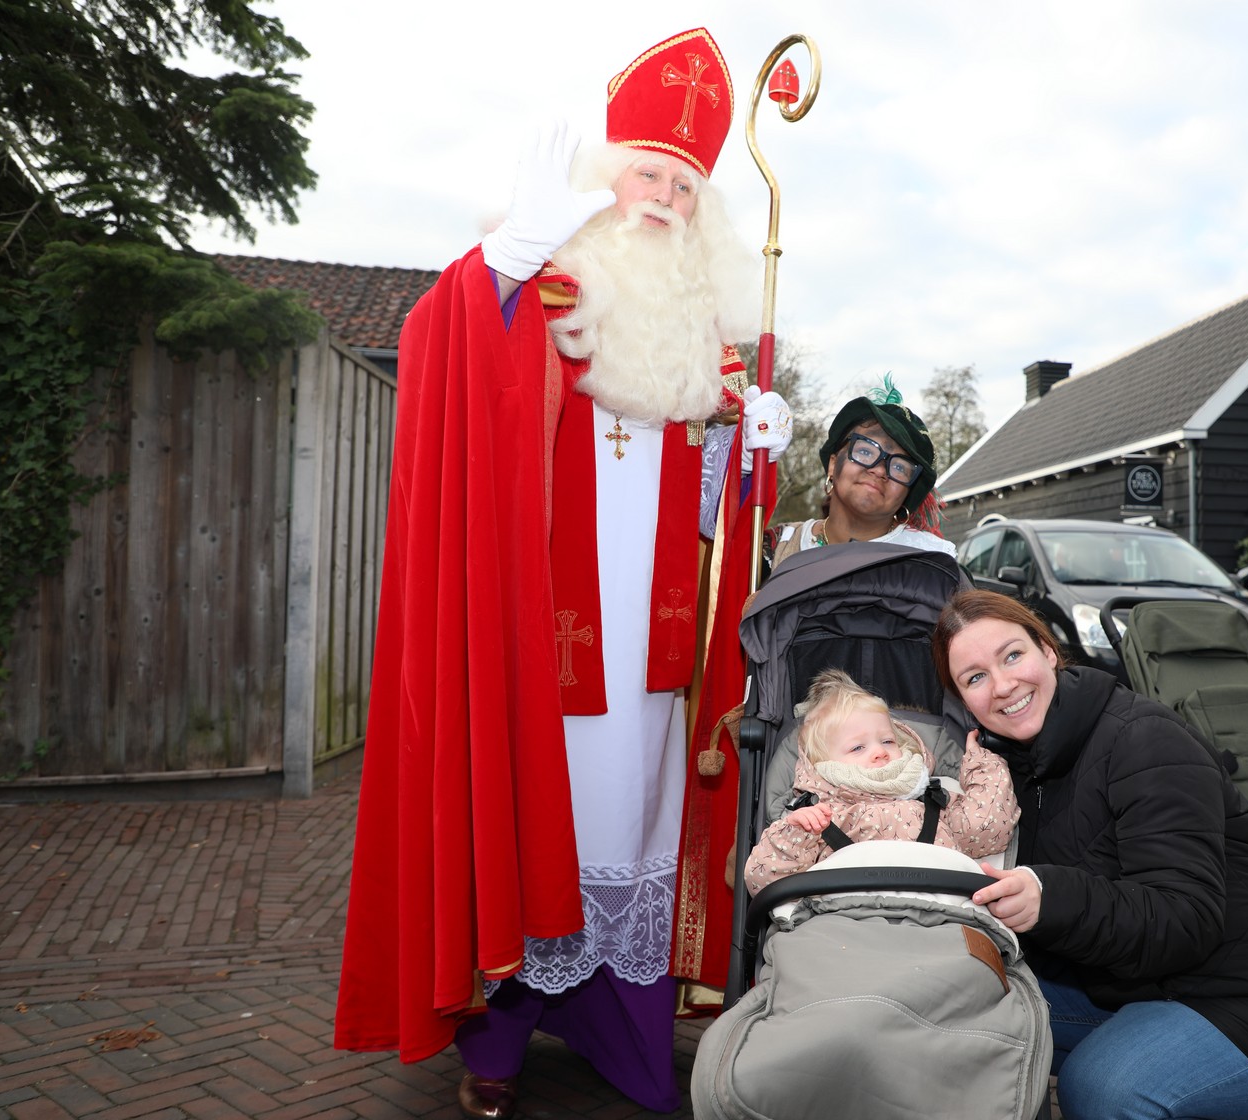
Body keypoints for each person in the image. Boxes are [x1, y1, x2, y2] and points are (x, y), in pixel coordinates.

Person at [333, 28, 794, 1120]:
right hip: (540, 641)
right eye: (649, 173)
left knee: (633, 830)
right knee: (533, 824)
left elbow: (717, 533)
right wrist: (499, 266)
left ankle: (622, 1032)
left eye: (685, 187)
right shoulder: (538, 294)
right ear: (603, 177)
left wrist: (750, 453)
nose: (664, 199)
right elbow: (444, 356)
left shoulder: (709, 350)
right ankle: (495, 1042)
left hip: (653, 662)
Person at [932, 589, 1248, 1120]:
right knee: (964, 1017)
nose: (1002, 685)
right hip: (1132, 982)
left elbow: (1185, 918)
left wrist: (1049, 898)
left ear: (1049, 650)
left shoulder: (1144, 738)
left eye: (1012, 655)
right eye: (975, 678)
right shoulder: (1012, 768)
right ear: (962, 700)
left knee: (1104, 1088)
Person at [743, 668, 1019, 894]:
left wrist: (982, 764)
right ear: (821, 767)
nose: (880, 751)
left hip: (936, 914)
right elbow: (763, 881)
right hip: (843, 919)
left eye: (888, 741)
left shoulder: (933, 801)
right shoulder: (820, 819)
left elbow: (987, 830)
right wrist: (795, 833)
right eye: (857, 748)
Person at [770, 378, 956, 563]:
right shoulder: (774, 548)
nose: (880, 470)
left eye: (899, 467)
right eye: (866, 451)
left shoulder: (933, 563)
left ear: (907, 495)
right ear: (833, 464)